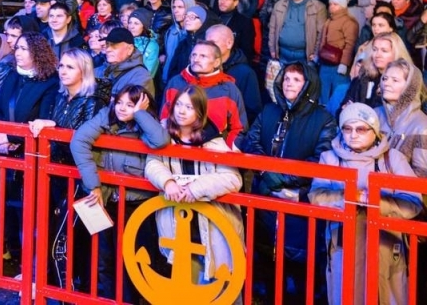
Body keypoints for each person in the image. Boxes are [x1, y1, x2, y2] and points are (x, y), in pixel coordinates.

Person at [237, 62, 337, 303]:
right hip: (265, 198)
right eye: (287, 78)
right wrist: (268, 174)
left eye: (297, 80)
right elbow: (252, 142)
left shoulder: (324, 119)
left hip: (298, 202)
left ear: (308, 85)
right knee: (266, 257)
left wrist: (281, 180)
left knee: (299, 266)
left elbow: (320, 159)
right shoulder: (269, 110)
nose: (289, 84)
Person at [309, 103, 422, 305]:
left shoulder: (392, 158)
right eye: (347, 128)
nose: (353, 135)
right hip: (343, 243)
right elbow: (316, 195)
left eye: (361, 129)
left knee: (385, 293)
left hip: (385, 244)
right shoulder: (329, 157)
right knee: (345, 292)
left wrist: (378, 203)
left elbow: (413, 201)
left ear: (374, 131)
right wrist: (349, 198)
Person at [71, 84, 169, 302]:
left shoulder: (147, 124)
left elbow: (161, 140)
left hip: (135, 204)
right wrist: (93, 185)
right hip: (106, 200)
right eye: (120, 102)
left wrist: (140, 114)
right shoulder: (106, 116)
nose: (123, 108)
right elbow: (79, 141)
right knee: (104, 259)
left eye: (130, 104)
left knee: (132, 260)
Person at [145, 85, 244, 290]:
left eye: (189, 107)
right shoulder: (163, 134)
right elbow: (152, 163)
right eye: (178, 105)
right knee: (186, 286)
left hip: (213, 225)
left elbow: (233, 178)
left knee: (221, 287)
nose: (181, 111)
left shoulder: (213, 140)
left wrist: (195, 189)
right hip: (178, 224)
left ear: (199, 111)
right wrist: (167, 182)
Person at [27, 49, 105, 297]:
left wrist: (55, 127)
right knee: (53, 238)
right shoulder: (59, 97)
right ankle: (56, 292)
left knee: (64, 243)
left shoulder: (94, 101)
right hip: (55, 177)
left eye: (70, 67)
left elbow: (84, 140)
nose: (62, 71)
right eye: (61, 66)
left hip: (81, 181)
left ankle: (68, 296)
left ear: (84, 70)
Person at [0, 31, 59, 266]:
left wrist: (12, 138)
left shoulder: (50, 82)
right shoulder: (13, 75)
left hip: (29, 154)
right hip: (4, 148)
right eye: (17, 48)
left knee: (30, 211)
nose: (18, 52)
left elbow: (43, 118)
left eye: (24, 48)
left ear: (37, 52)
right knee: (4, 202)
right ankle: (11, 251)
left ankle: (32, 264)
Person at [161, 39, 247, 147]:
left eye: (203, 56)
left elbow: (239, 128)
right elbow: (164, 119)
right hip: (174, 147)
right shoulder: (175, 82)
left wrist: (228, 150)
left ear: (216, 62)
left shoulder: (229, 89)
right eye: (194, 55)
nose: (196, 59)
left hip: (214, 150)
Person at [376, 58, 427, 177]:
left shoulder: (422, 126)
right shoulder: (373, 115)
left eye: (395, 80)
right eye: (385, 78)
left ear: (410, 87)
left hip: (400, 188)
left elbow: (422, 175)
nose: (386, 83)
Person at [205, 24, 262, 127]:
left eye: (213, 43)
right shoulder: (202, 68)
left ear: (229, 44)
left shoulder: (245, 73)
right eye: (206, 43)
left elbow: (252, 112)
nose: (208, 47)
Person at [343, 32, 413, 115]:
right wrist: (346, 110)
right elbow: (342, 109)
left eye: (384, 51)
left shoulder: (407, 80)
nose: (377, 55)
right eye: (374, 49)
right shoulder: (361, 78)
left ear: (396, 53)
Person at [269, 0, 327, 65]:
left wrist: (316, 53)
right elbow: (272, 28)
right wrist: (272, 49)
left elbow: (321, 33)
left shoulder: (318, 7)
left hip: (305, 56)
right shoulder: (279, 5)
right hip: (282, 54)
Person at [318, 0, 360, 114]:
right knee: (323, 91)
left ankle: (336, 115)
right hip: (325, 61)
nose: (331, 6)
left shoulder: (349, 22)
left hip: (338, 63)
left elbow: (349, 45)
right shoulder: (329, 20)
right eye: (330, 4)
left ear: (342, 6)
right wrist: (318, 54)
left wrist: (344, 63)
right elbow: (322, 40)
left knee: (338, 92)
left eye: (335, 4)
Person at [98, 26, 154, 96]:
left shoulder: (141, 76)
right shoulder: (99, 70)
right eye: (107, 45)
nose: (108, 49)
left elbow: (134, 102)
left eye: (114, 46)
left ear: (130, 49)